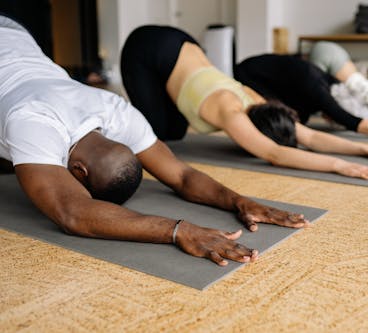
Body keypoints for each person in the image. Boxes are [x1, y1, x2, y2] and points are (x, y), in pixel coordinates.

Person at [0, 15, 310, 267]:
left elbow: (183, 176)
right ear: (78, 172)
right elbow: (74, 212)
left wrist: (239, 201)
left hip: (17, 39)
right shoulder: (35, 121)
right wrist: (178, 231)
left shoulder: (115, 110)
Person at [121, 25, 368, 182]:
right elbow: (275, 153)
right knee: (160, 133)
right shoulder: (230, 109)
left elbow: (308, 135)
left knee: (176, 131)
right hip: (145, 46)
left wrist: (364, 149)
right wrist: (339, 166)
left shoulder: (260, 102)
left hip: (182, 41)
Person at [234, 53, 368, 146]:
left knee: (302, 117)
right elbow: (355, 122)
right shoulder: (321, 94)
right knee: (285, 128)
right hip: (248, 74)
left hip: (287, 79)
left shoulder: (335, 86)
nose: (333, 121)